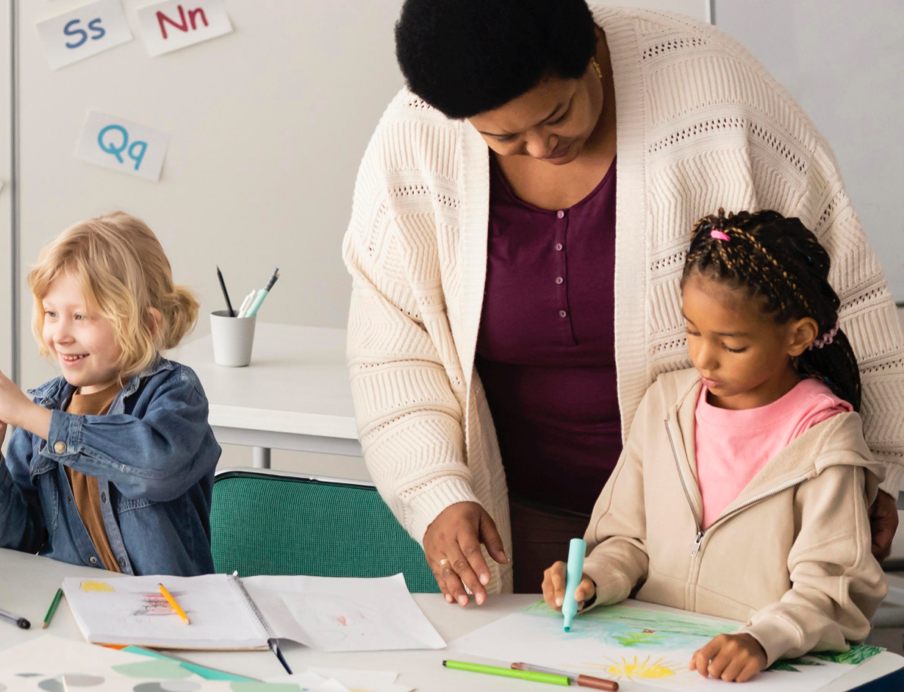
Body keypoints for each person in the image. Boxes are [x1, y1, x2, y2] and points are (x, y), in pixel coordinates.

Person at [344, 0, 904, 599]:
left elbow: (841, 295)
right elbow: (396, 350)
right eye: (504, 137)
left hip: (730, 527)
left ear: (589, 52)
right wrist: (437, 492)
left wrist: (880, 468)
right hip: (520, 524)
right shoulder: (415, 138)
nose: (539, 147)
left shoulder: (716, 95)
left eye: (557, 115)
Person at [542, 210, 886, 682]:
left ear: (797, 336)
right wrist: (594, 578)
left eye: (732, 345)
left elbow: (834, 590)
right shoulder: (666, 405)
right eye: (693, 331)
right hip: (654, 664)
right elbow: (627, 538)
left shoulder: (824, 442)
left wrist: (763, 640)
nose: (703, 358)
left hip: (763, 674)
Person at [0, 212, 220, 576]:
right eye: (51, 313)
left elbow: (155, 469)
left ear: (145, 324)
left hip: (169, 618)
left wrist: (32, 418)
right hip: (75, 611)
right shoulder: (42, 409)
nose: (60, 334)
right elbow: (12, 545)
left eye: (80, 316)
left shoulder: (176, 393)